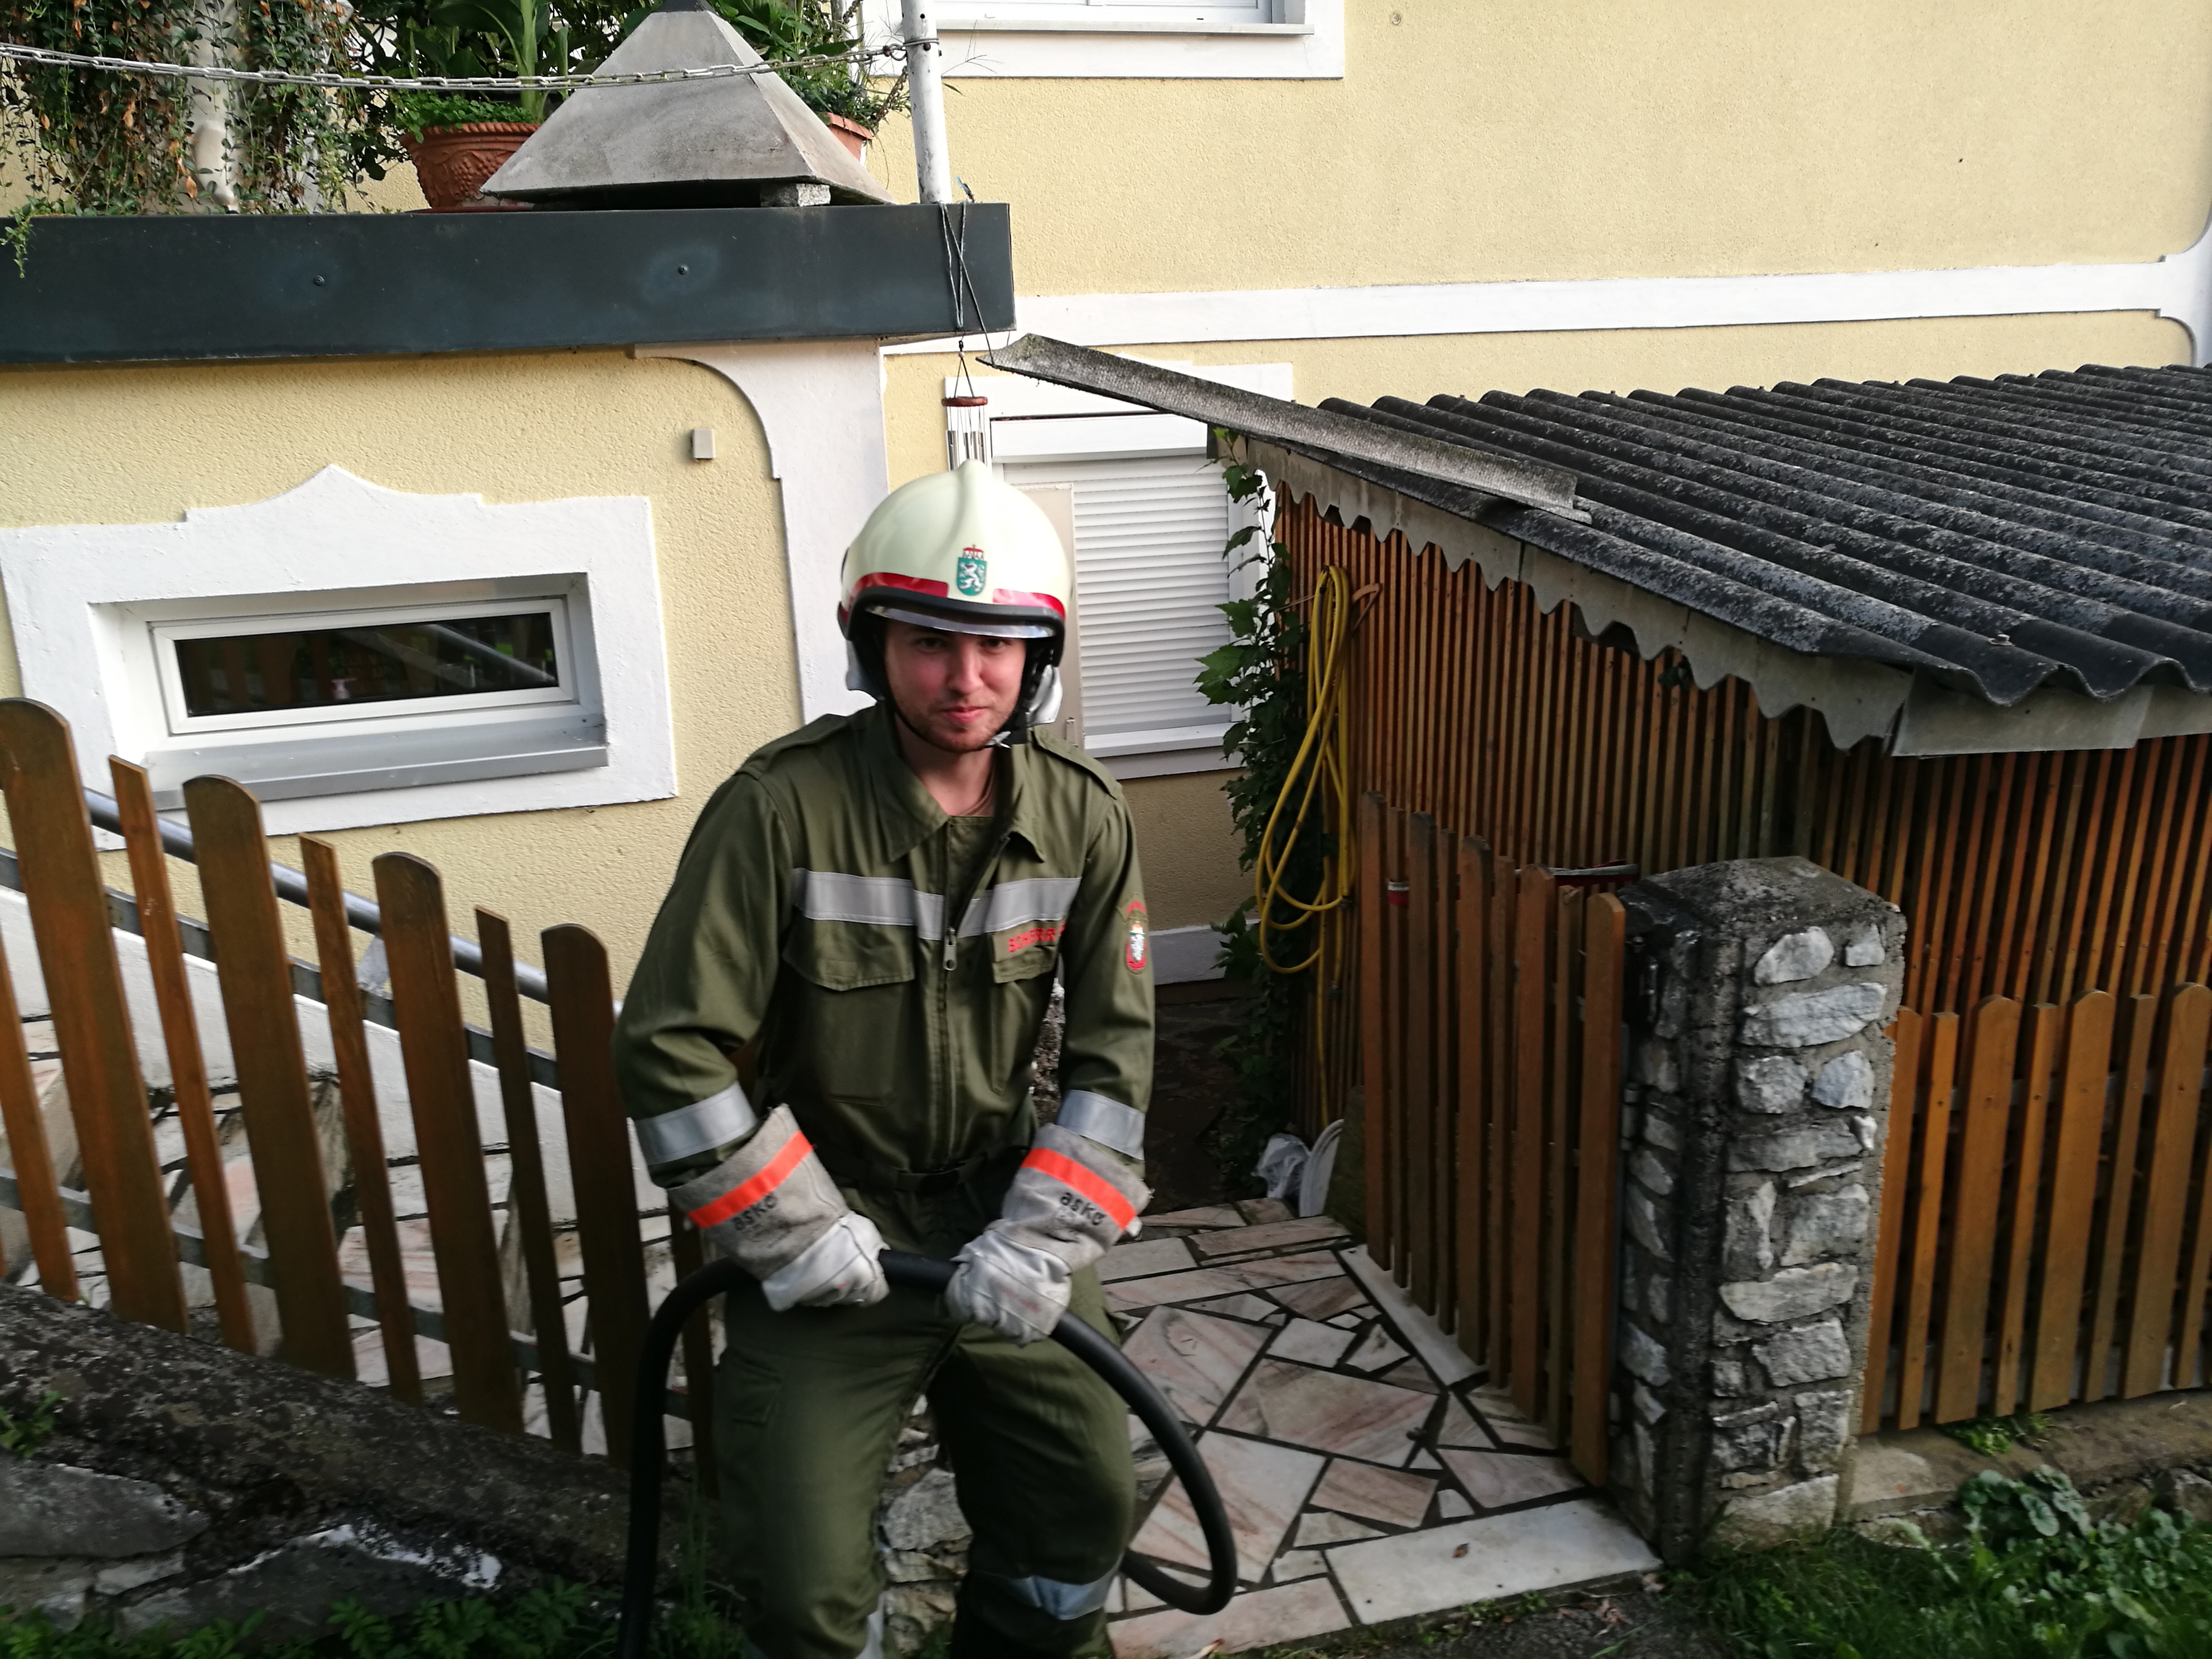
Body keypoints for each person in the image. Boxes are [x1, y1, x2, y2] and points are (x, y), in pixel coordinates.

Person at [612, 460, 1156, 1659]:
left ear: (1037, 658)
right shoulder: (779, 809)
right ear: (873, 647)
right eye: (930, 643)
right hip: (835, 1233)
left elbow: (1117, 1059)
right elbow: (669, 1049)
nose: (966, 678)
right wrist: (794, 1231)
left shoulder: (1085, 813)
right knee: (799, 1580)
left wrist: (1045, 1236)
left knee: (1081, 1512)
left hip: (1003, 1218)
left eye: (998, 646)